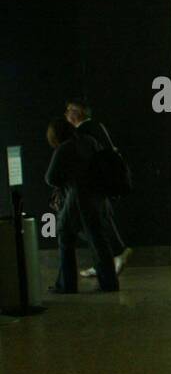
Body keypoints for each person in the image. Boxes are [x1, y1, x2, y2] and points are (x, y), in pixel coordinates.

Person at [45, 118, 119, 294]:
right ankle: (109, 283)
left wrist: (67, 180)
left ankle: (67, 285)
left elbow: (50, 178)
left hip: (75, 203)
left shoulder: (63, 148)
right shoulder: (90, 141)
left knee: (65, 241)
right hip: (98, 200)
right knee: (99, 242)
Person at [64, 99, 131, 278]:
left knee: (90, 226)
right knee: (103, 221)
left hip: (92, 187)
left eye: (69, 110)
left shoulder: (82, 132)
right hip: (104, 185)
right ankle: (111, 258)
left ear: (77, 113)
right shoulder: (97, 127)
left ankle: (108, 259)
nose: (66, 114)